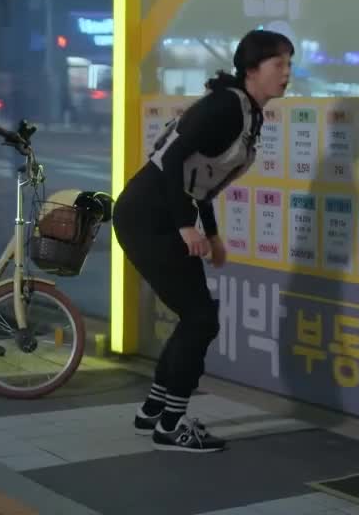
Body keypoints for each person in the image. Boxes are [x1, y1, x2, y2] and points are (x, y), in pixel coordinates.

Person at [112, 29, 293, 453]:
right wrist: (185, 227)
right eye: (278, 64)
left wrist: (211, 234)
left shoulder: (246, 111)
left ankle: (154, 412)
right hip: (149, 216)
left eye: (289, 63)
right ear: (251, 70)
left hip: (157, 214)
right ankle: (171, 425)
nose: (287, 72)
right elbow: (173, 159)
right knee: (200, 319)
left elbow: (201, 179)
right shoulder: (227, 107)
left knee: (195, 316)